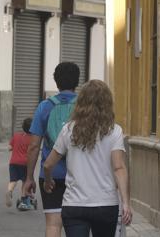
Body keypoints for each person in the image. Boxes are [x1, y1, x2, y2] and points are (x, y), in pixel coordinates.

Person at [43, 80, 132, 237]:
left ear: (81, 101)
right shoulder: (115, 131)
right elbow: (119, 168)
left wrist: (48, 180)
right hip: (106, 205)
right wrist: (126, 203)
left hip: (75, 205)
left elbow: (48, 164)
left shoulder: (69, 129)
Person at [23, 62, 80, 236]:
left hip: (50, 175)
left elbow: (33, 146)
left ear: (56, 82)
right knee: (77, 225)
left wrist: (28, 178)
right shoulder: (84, 108)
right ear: (77, 81)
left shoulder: (45, 107)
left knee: (53, 225)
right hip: (79, 175)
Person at [6, 117, 33, 210]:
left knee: (13, 180)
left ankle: (9, 191)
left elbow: (9, 147)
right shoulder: (32, 139)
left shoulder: (16, 136)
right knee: (25, 181)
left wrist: (15, 147)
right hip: (25, 164)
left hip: (13, 162)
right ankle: (23, 200)